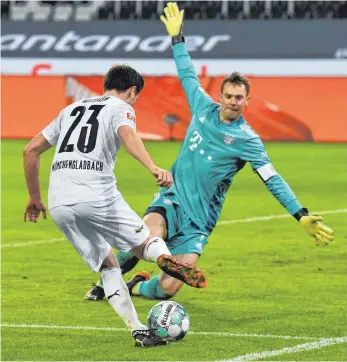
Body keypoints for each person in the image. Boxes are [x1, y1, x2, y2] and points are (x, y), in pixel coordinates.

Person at [84, 2, 334, 303]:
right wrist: (176, 39)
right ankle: (105, 283)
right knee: (144, 239)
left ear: (247, 100)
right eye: (228, 95)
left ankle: (137, 285)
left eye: (239, 98)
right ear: (221, 95)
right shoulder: (202, 107)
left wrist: (300, 215)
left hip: (199, 220)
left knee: (167, 289)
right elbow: (187, 72)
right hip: (171, 199)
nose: (233, 101)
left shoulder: (248, 140)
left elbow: (272, 178)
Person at [23, 64, 207, 347]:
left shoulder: (70, 110)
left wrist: (35, 199)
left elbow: (30, 150)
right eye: (136, 95)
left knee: (108, 266)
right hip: (96, 195)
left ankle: (139, 331)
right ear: (132, 90)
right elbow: (128, 135)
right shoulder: (121, 107)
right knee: (145, 242)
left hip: (59, 203)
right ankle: (163, 259)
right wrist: (152, 166)